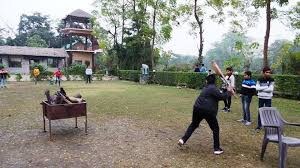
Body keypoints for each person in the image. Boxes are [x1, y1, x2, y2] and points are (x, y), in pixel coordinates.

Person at [178, 74, 234, 155]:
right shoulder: (213, 88)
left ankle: (183, 139)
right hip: (208, 110)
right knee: (215, 129)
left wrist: (228, 91)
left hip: (197, 108)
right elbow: (221, 97)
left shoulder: (206, 88)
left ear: (207, 81)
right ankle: (216, 148)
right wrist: (229, 92)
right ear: (214, 81)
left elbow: (218, 94)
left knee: (193, 124)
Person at [255, 66, 274, 131]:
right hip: (261, 97)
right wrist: (266, 87)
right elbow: (257, 88)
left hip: (268, 98)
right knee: (260, 111)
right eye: (267, 72)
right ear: (263, 73)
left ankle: (267, 126)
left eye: (269, 72)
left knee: (268, 112)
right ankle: (259, 126)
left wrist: (261, 88)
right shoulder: (259, 79)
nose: (268, 73)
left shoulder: (271, 79)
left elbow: (271, 89)